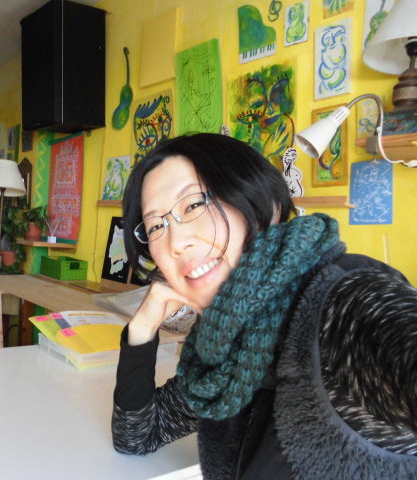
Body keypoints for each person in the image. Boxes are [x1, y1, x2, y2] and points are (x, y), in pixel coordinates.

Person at [111, 133, 417, 479]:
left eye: (194, 205)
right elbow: (137, 435)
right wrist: (143, 326)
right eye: (155, 226)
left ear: (263, 202)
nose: (176, 242)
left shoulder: (343, 304)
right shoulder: (223, 345)